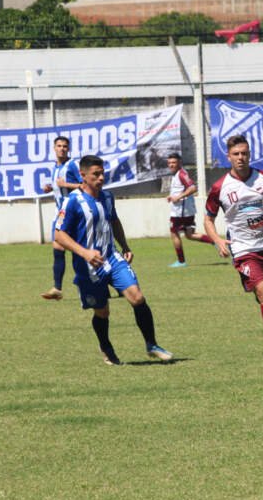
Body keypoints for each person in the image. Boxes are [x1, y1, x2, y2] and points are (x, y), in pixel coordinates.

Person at [54, 155, 174, 365]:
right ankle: (107, 348)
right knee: (102, 311)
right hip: (88, 267)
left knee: (137, 297)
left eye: (102, 174)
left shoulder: (108, 197)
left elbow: (114, 221)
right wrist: (85, 253)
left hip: (112, 257)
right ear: (83, 175)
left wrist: (125, 246)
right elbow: (59, 235)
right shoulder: (72, 201)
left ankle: (151, 344)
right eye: (96, 175)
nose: (101, 178)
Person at [203, 134, 263, 358]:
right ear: (228, 157)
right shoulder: (219, 187)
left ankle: (259, 290)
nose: (241, 157)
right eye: (236, 154)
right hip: (243, 248)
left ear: (249, 155)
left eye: (244, 153)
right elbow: (208, 220)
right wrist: (218, 240)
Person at [41, 136, 81, 300]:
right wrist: (50, 188)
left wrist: (66, 185)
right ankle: (57, 288)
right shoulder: (55, 167)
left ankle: (110, 282)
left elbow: (85, 184)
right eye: (59, 146)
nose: (62, 149)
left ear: (68, 149)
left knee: (78, 252)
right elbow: (59, 188)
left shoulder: (72, 165)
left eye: (65, 146)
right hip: (60, 213)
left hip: (73, 213)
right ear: (54, 148)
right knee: (58, 249)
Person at [166, 152, 214, 267]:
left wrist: (178, 197)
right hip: (186, 210)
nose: (171, 165)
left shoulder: (181, 174)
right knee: (189, 235)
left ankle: (181, 261)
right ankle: (214, 241)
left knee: (174, 233)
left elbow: (192, 188)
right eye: (169, 163)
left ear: (179, 163)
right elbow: (181, 190)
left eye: (174, 162)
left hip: (181, 212)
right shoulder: (178, 174)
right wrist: (172, 196)